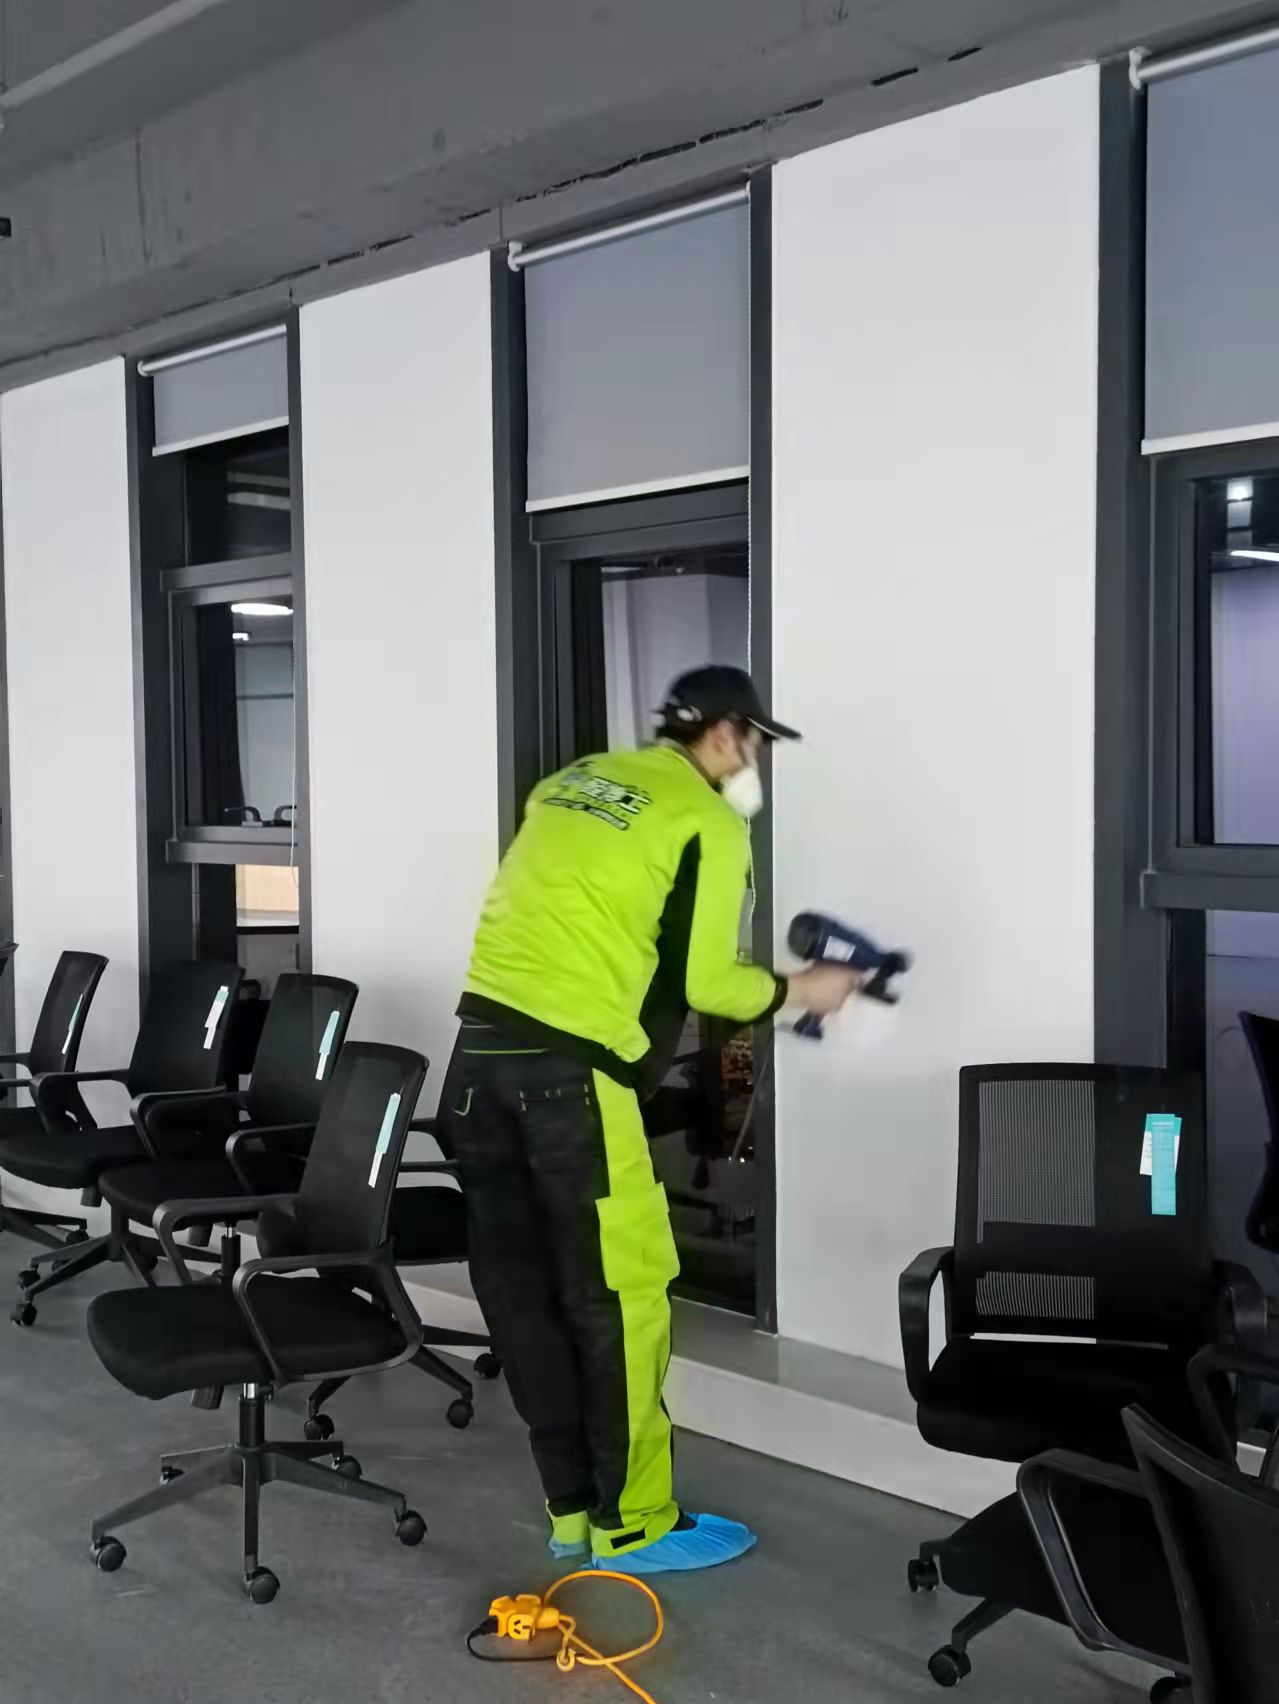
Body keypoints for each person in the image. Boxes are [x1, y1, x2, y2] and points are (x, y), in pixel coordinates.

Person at [446, 665, 860, 1575]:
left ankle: (570, 1511)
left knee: (523, 1295)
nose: (753, 763)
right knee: (619, 1299)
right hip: (569, 1085)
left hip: (474, 1069)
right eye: (754, 744)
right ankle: (633, 1525)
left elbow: (594, 924)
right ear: (728, 733)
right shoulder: (705, 819)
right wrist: (805, 990)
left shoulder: (572, 782)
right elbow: (709, 983)